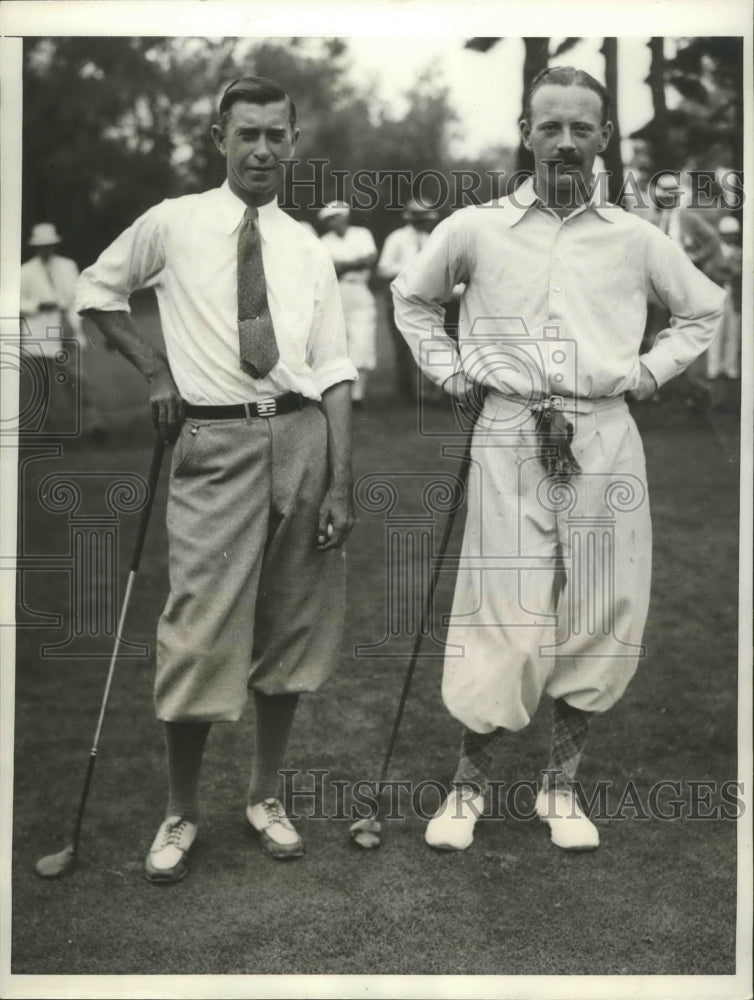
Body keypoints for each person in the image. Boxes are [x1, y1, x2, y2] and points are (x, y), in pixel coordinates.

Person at [391, 66, 725, 853]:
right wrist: (451, 371)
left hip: (603, 432)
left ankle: (561, 786)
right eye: (552, 127)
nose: (567, 142)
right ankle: (467, 789)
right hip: (507, 433)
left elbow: (703, 308)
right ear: (527, 132)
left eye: (583, 127)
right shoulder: (477, 227)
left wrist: (645, 373)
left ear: (604, 137)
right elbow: (412, 298)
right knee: (502, 605)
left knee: (604, 607)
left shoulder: (635, 236)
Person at [76, 75, 357, 882]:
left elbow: (335, 370)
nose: (263, 149)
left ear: (295, 143)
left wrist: (341, 482)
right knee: (197, 627)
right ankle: (181, 810)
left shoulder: (309, 247)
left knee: (292, 626)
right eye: (247, 135)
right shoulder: (174, 222)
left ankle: (265, 797)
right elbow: (97, 291)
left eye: (277, 134)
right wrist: (155, 373)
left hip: (302, 439)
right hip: (212, 443)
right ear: (219, 139)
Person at [20, 223, 106, 439]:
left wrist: (72, 320)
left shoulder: (68, 266)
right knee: (43, 385)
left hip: (66, 329)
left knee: (78, 379)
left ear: (54, 245)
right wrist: (37, 305)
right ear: (36, 247)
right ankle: (44, 430)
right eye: (42, 246)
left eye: (49, 245)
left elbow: (77, 295)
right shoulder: (25, 271)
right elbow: (15, 302)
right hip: (39, 331)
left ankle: (93, 425)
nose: (46, 249)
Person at [376, 199, 440, 400]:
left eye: (426, 218)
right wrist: (412, 270)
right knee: (402, 343)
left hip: (423, 298)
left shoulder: (431, 238)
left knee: (425, 342)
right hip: (399, 296)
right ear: (412, 218)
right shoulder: (397, 238)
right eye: (420, 218)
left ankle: (427, 392)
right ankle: (406, 392)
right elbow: (383, 268)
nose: (424, 222)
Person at [318, 201, 377, 407]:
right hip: (336, 291)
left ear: (344, 216)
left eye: (334, 217)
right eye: (328, 220)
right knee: (337, 340)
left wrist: (345, 265)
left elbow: (370, 259)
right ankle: (338, 393)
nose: (331, 223)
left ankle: (358, 396)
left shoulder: (362, 234)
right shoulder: (324, 240)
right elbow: (329, 269)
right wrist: (353, 263)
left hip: (359, 288)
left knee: (363, 338)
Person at [706, 215, 741, 381]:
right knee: (716, 331)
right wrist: (726, 270)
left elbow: (740, 272)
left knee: (733, 330)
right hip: (717, 292)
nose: (730, 237)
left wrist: (730, 270)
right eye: (727, 234)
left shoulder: (740, 251)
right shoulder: (715, 251)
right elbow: (709, 271)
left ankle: (730, 367)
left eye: (733, 234)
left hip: (734, 294)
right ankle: (714, 367)